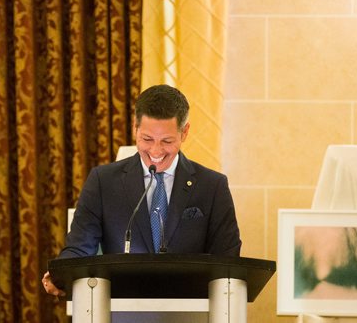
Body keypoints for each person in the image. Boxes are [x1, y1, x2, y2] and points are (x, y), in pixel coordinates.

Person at [42, 84, 241, 296]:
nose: (155, 151)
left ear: (185, 132)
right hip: (121, 309)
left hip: (193, 309)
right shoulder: (103, 182)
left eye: (166, 141)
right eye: (147, 139)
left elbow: (227, 259)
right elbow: (80, 247)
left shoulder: (213, 185)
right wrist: (61, 273)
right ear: (135, 127)